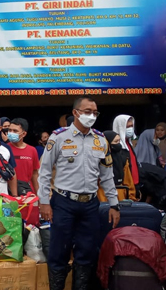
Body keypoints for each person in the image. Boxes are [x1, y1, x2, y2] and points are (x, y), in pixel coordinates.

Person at [39, 96, 120, 290]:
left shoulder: (101, 140)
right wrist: (43, 202)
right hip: (63, 202)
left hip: (90, 204)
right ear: (75, 113)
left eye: (95, 112)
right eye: (87, 111)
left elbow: (107, 175)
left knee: (87, 252)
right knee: (59, 251)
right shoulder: (58, 137)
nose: (91, 116)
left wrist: (114, 204)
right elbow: (44, 172)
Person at [98, 131, 137, 201]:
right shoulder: (98, 159)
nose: (118, 145)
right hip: (102, 195)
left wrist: (131, 197)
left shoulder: (123, 158)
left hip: (120, 194)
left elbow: (128, 181)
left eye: (119, 141)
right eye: (115, 142)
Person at [8, 118, 40, 194]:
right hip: (9, 192)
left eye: (15, 131)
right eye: (10, 130)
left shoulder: (32, 150)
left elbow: (34, 174)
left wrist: (38, 194)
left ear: (24, 134)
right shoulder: (5, 149)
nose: (11, 133)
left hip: (27, 192)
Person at [112, 115, 140, 185]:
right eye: (127, 127)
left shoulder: (128, 143)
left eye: (131, 126)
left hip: (134, 184)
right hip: (125, 187)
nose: (130, 129)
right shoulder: (116, 147)